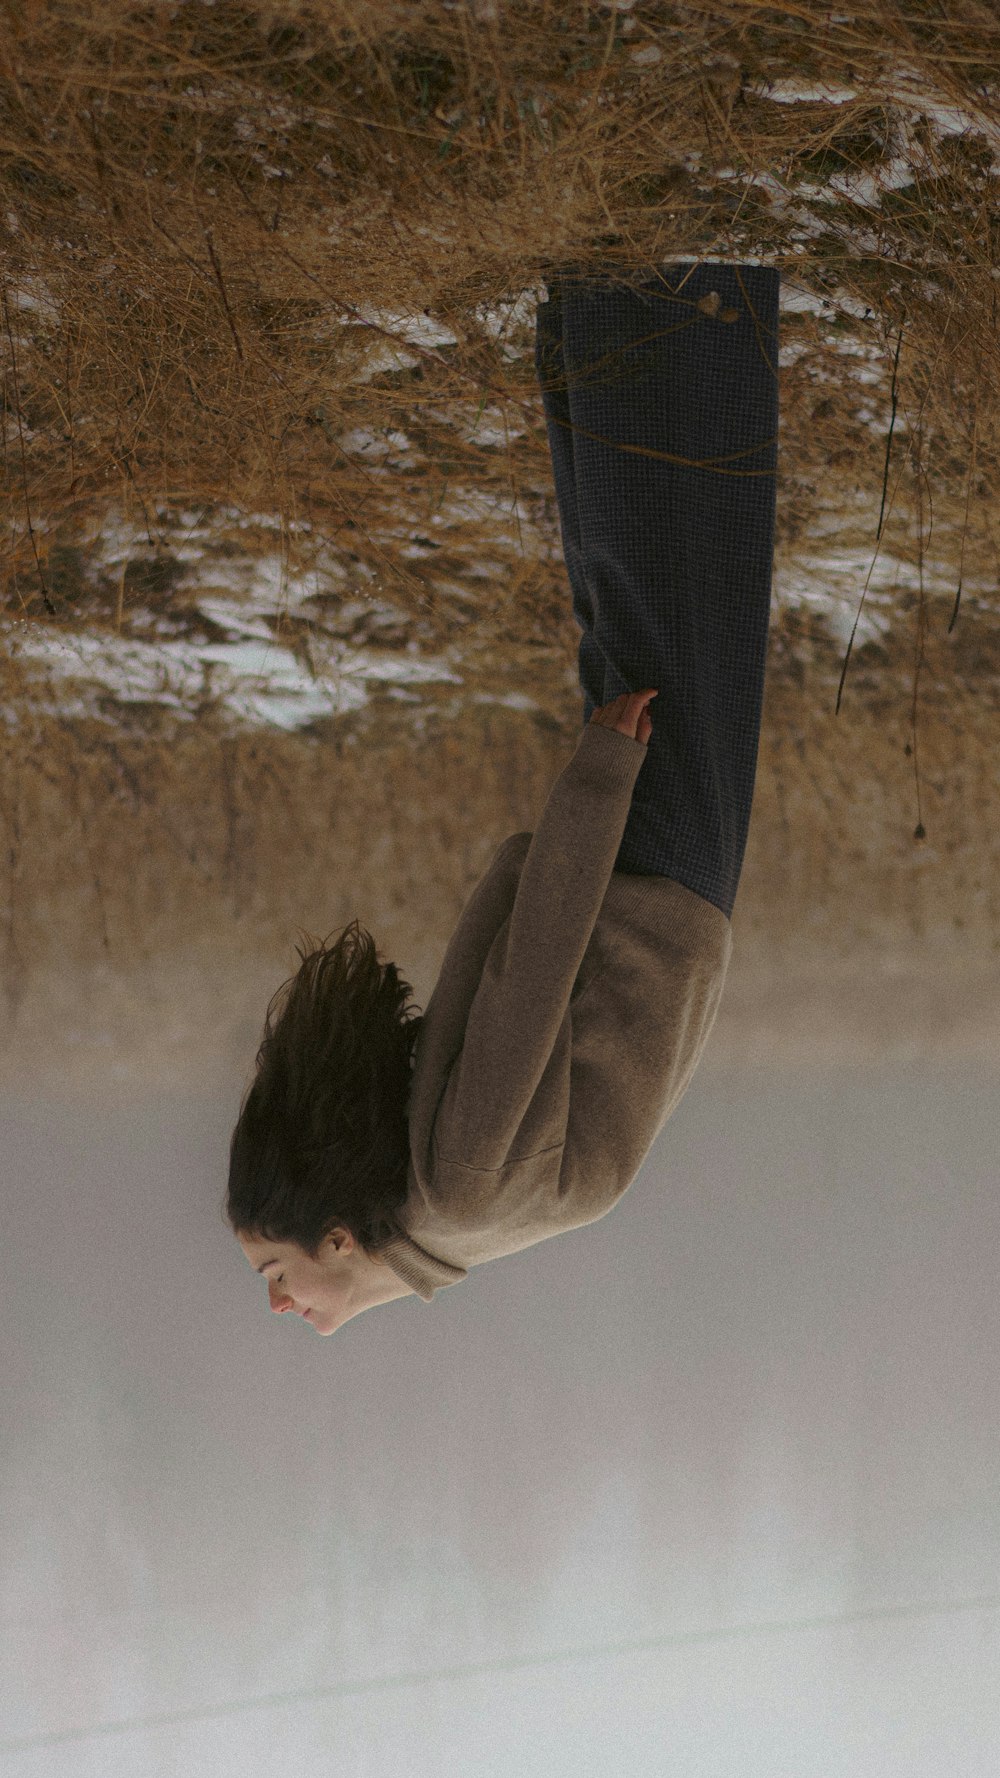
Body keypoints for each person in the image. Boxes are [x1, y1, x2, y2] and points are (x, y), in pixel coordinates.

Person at [227, 260, 781, 1336]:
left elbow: (523, 993)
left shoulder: (455, 1201)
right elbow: (528, 992)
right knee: (658, 578)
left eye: (271, 1273)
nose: (280, 1296)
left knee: (649, 581)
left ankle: (634, 295)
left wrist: (598, 794)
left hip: (655, 875)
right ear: (340, 1237)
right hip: (650, 875)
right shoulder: (464, 1202)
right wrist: (593, 795)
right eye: (270, 1272)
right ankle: (644, 292)